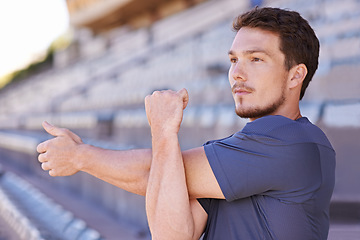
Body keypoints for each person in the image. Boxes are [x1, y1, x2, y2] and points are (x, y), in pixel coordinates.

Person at [36, 7, 336, 240]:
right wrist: (81, 155)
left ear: (296, 75)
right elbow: (171, 232)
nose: (237, 74)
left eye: (255, 59)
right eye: (233, 60)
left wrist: (82, 155)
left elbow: (154, 170)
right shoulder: (241, 153)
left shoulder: (291, 140)